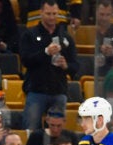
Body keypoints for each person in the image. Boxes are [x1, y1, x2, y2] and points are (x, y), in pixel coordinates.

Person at [19, 0, 79, 131]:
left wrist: (66, 66)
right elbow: (25, 60)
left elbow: (76, 66)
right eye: (48, 14)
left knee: (57, 132)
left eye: (54, 13)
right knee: (31, 130)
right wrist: (45, 52)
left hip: (58, 91)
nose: (52, 17)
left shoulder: (66, 38)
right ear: (41, 13)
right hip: (36, 90)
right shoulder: (29, 35)